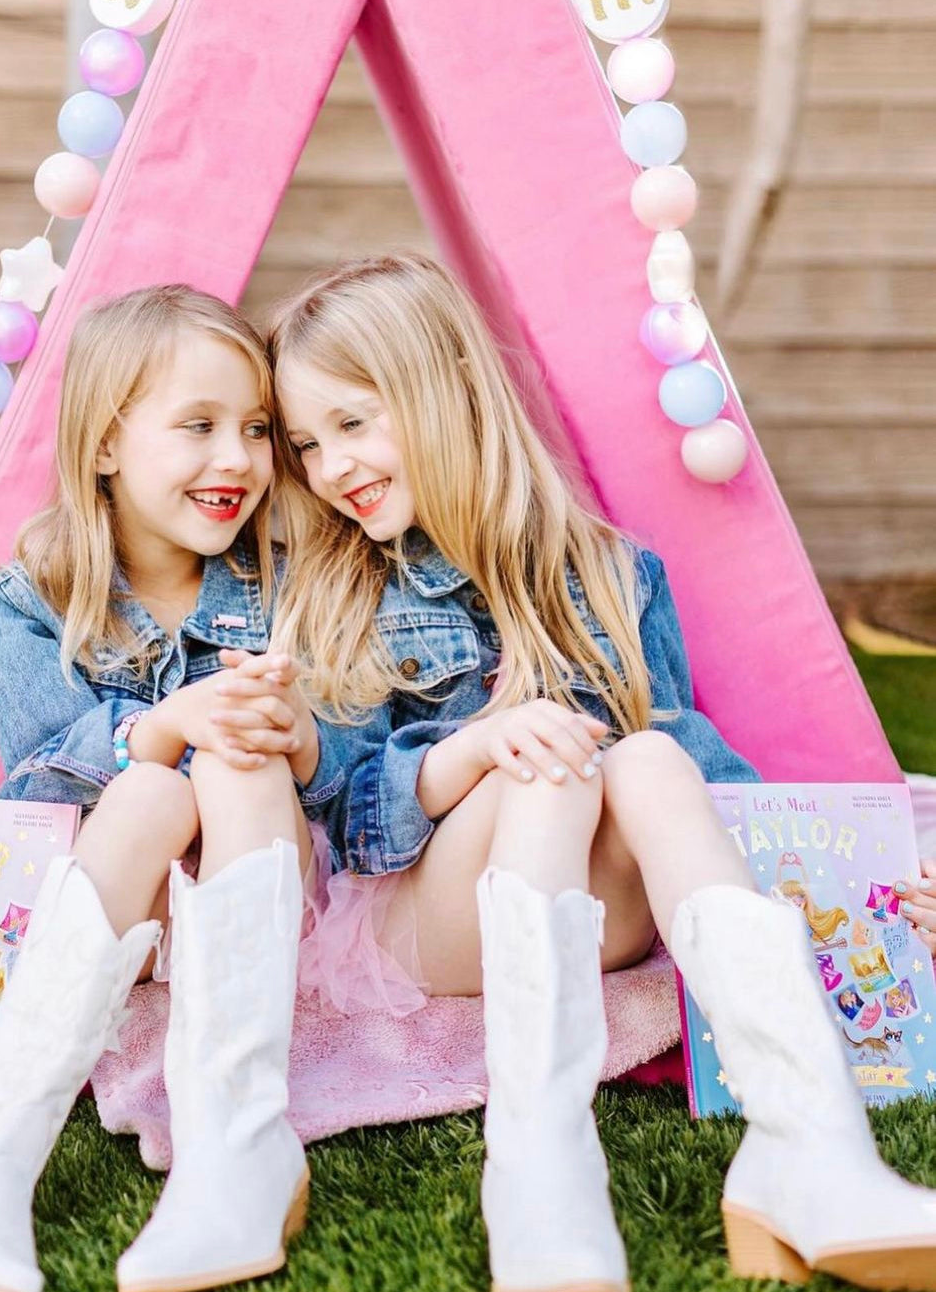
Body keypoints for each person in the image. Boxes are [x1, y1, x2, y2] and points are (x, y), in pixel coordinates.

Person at [263, 252, 936, 1292]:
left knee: (656, 753)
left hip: (595, 917)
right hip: (426, 916)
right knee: (549, 766)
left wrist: (869, 890)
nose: (330, 466)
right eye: (307, 443)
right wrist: (473, 748)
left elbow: (709, 787)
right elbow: (346, 815)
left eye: (353, 423)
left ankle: (810, 1142)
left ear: (444, 392)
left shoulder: (612, 575)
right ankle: (540, 1171)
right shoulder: (338, 590)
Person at [0, 286, 327, 1292]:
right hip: (110, 899)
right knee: (154, 788)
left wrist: (299, 742)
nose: (238, 459)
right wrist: (159, 727)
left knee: (236, 756)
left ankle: (236, 1148)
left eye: (256, 429)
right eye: (199, 426)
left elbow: (346, 778)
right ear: (106, 445)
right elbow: (35, 776)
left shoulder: (289, 584)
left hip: (255, 894)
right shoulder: (26, 598)